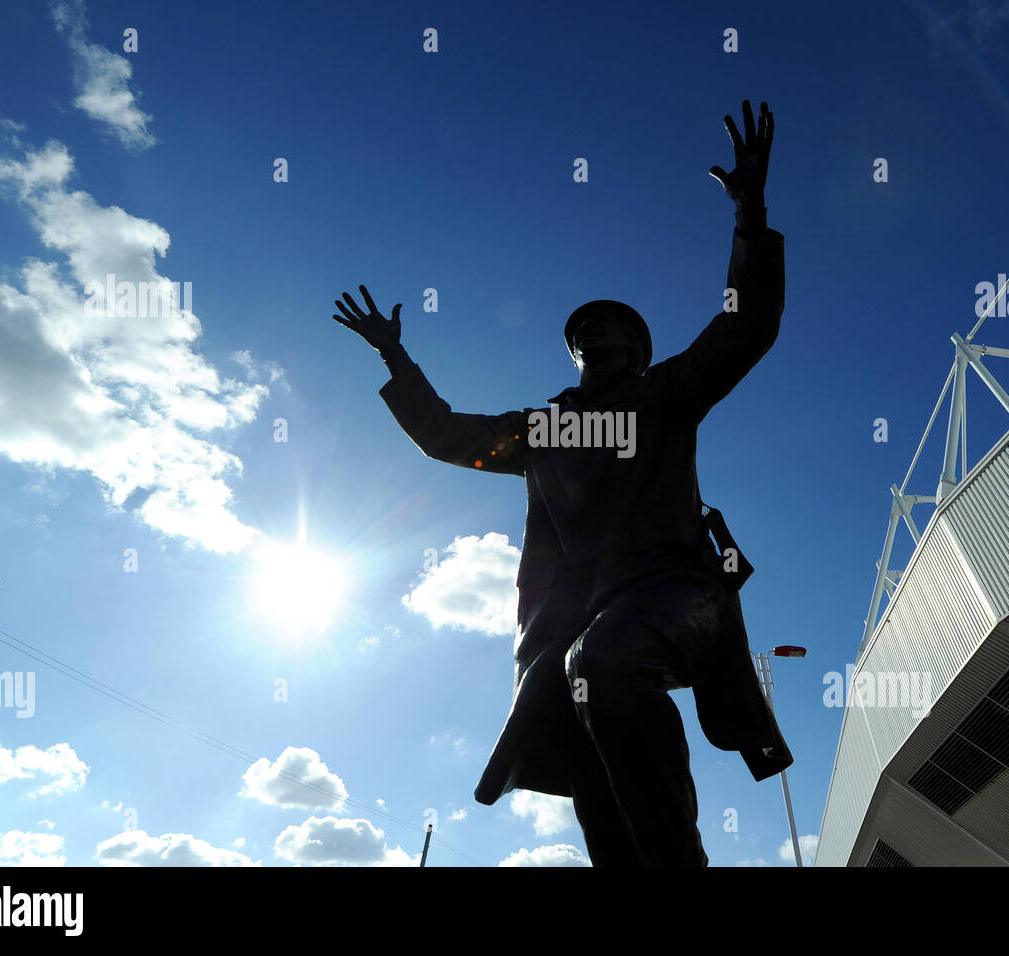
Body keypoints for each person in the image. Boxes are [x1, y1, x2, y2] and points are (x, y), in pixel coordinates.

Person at [333, 100, 789, 866]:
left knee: (603, 668)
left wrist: (750, 216)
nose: (597, 334)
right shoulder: (543, 429)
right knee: (588, 758)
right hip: (585, 613)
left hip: (677, 592)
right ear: (574, 350)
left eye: (613, 327)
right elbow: (447, 436)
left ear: (640, 349)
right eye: (585, 331)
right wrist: (396, 361)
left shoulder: (666, 394)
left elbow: (747, 325)